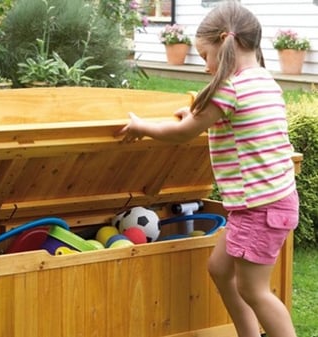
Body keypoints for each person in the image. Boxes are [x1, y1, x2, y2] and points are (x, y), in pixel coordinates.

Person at [117, 2, 299, 337]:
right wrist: (196, 117)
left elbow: (184, 133)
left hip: (259, 209)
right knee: (219, 268)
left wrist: (143, 126)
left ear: (223, 42)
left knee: (254, 290)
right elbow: (226, 123)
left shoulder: (229, 88)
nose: (204, 67)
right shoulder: (263, 81)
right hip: (268, 204)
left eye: (204, 56)